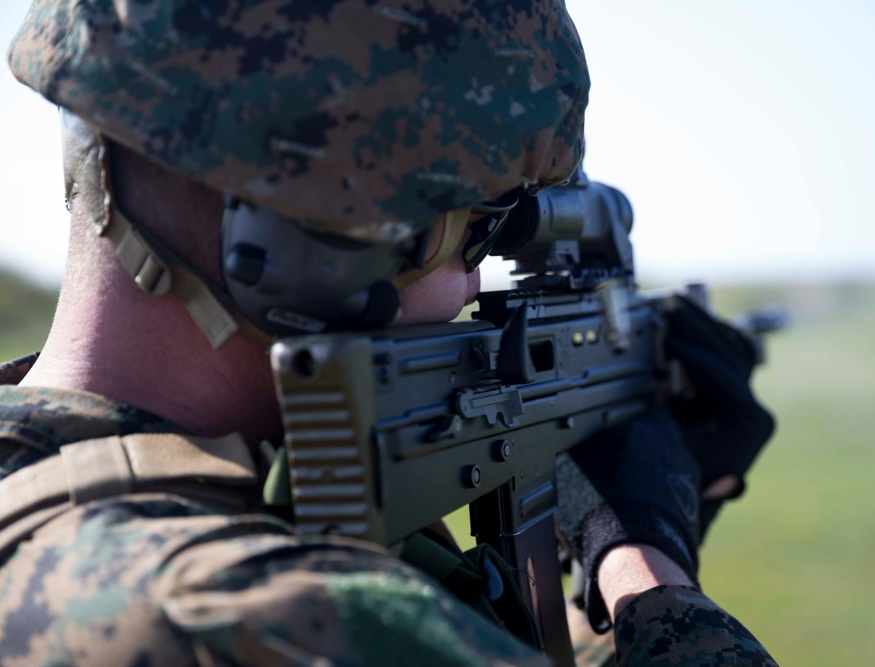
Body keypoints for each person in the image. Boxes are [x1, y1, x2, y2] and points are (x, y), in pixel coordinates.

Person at [0, 1, 777, 665]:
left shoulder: (51, 495)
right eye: (485, 228)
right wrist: (653, 578)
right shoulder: (279, 615)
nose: (480, 282)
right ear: (320, 246)